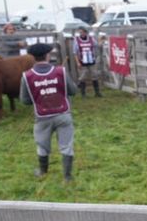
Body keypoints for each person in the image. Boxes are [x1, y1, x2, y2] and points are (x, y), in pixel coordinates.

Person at [19, 43, 78, 181]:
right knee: (66, 146)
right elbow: (73, 91)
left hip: (42, 117)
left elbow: (25, 101)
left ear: (33, 57)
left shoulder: (27, 76)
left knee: (42, 145)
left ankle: (42, 172)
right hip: (63, 114)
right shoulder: (60, 71)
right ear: (47, 55)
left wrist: (39, 98)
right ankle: (67, 177)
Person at [72, 26, 101, 97]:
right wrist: (77, 62)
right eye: (80, 32)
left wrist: (101, 40)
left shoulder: (91, 39)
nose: (81, 33)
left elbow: (97, 45)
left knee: (95, 75)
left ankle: (97, 93)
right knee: (82, 77)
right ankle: (83, 94)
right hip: (82, 61)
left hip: (91, 61)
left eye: (82, 32)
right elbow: (75, 52)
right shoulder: (77, 40)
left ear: (86, 32)